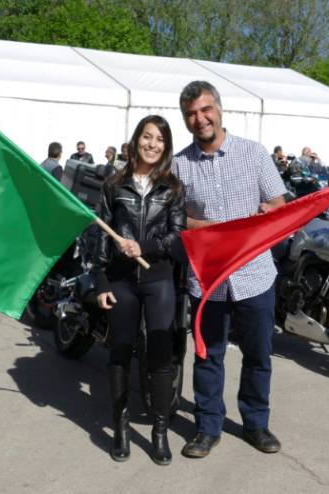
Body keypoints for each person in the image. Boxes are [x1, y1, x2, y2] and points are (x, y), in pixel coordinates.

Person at [173, 80, 287, 458]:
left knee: (258, 355)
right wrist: (212, 229)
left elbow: (279, 204)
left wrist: (270, 212)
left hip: (255, 276)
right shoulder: (178, 165)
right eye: (191, 114)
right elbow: (175, 219)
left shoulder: (253, 154)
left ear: (219, 109)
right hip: (208, 279)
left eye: (205, 110)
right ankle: (207, 427)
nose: (200, 119)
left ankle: (256, 424)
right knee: (208, 355)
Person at [94, 115, 186, 465]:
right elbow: (100, 234)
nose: (153, 144)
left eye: (160, 139)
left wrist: (143, 247)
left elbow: (177, 238)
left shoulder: (173, 188)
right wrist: (101, 282)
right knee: (120, 352)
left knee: (161, 355)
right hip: (121, 281)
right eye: (147, 137)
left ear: (166, 146)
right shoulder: (113, 185)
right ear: (136, 140)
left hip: (159, 280)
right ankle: (120, 428)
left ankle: (159, 432)